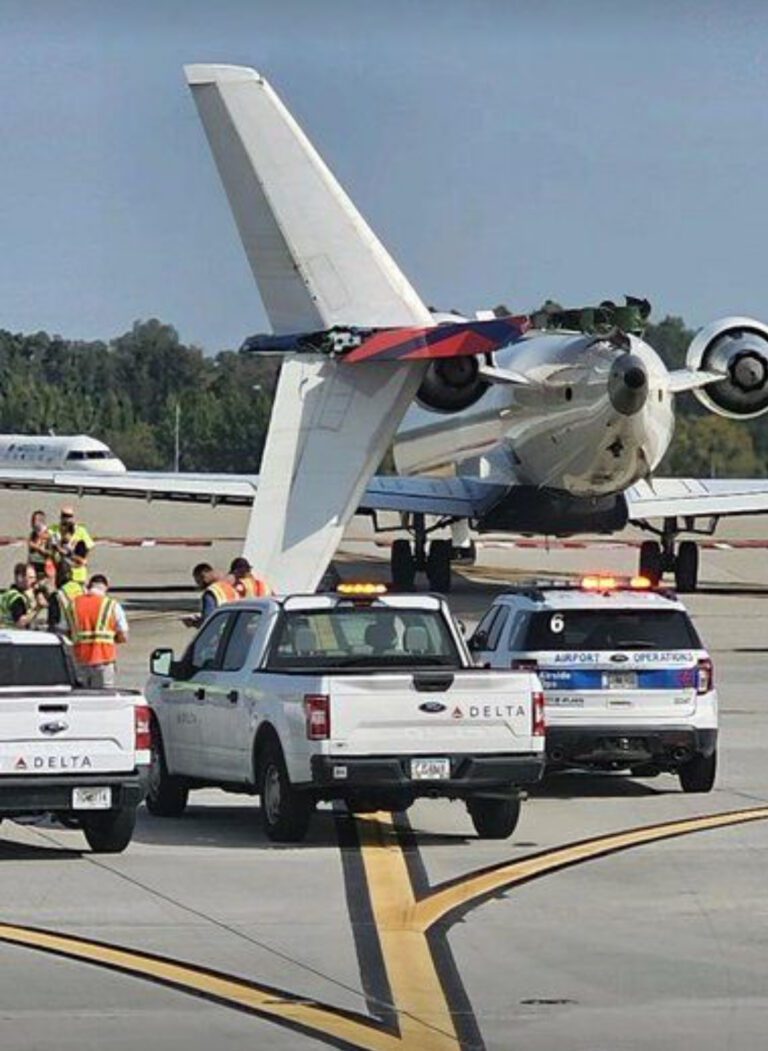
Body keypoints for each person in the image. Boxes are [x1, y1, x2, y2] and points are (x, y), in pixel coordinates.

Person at [69, 574, 128, 688]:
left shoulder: (73, 604)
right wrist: (113, 639)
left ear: (89, 586)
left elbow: (64, 630)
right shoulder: (112, 605)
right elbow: (124, 636)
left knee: (82, 698)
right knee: (105, 698)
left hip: (80, 660)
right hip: (104, 659)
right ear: (105, 587)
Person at [183, 563, 239, 629]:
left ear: (203, 575)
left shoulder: (210, 593)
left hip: (220, 634)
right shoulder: (230, 589)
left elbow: (208, 622)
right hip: (234, 632)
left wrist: (193, 623)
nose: (198, 584)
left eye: (198, 580)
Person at [49, 505, 94, 586]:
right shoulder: (53, 529)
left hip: (78, 575)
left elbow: (88, 548)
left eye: (69, 516)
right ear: (61, 516)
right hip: (61, 574)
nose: (67, 518)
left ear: (73, 517)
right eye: (64, 516)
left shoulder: (81, 530)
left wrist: (79, 561)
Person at [0, 562, 48, 628]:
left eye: (34, 578)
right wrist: (38, 608)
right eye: (30, 578)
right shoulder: (16, 598)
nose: (34, 581)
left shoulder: (7, 594)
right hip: (11, 634)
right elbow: (20, 623)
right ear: (20, 578)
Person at [47, 561, 85, 634]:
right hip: (83, 634)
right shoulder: (84, 590)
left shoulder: (57, 595)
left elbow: (52, 623)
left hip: (65, 636)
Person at [27, 510, 55, 584]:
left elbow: (51, 553)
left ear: (41, 521)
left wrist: (37, 547)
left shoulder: (49, 535)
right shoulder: (33, 534)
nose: (32, 523)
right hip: (34, 568)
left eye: (34, 520)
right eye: (32, 520)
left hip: (44, 570)